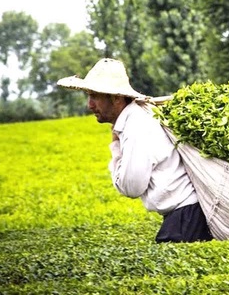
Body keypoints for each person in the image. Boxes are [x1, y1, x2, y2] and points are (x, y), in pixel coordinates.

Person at [57, 58, 213, 243]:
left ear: (115, 98)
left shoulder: (136, 125)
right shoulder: (136, 118)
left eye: (95, 96)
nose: (90, 105)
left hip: (186, 217)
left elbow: (131, 186)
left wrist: (115, 146)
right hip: (185, 214)